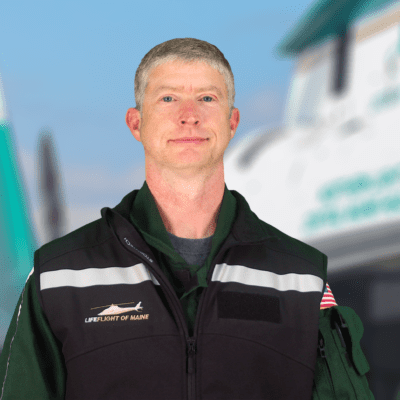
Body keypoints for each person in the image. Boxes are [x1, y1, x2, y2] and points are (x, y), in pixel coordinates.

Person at [0, 38, 374, 399]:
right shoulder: (58, 276)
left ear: (232, 122)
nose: (189, 116)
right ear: (136, 123)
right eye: (168, 98)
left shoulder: (301, 278)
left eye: (207, 98)